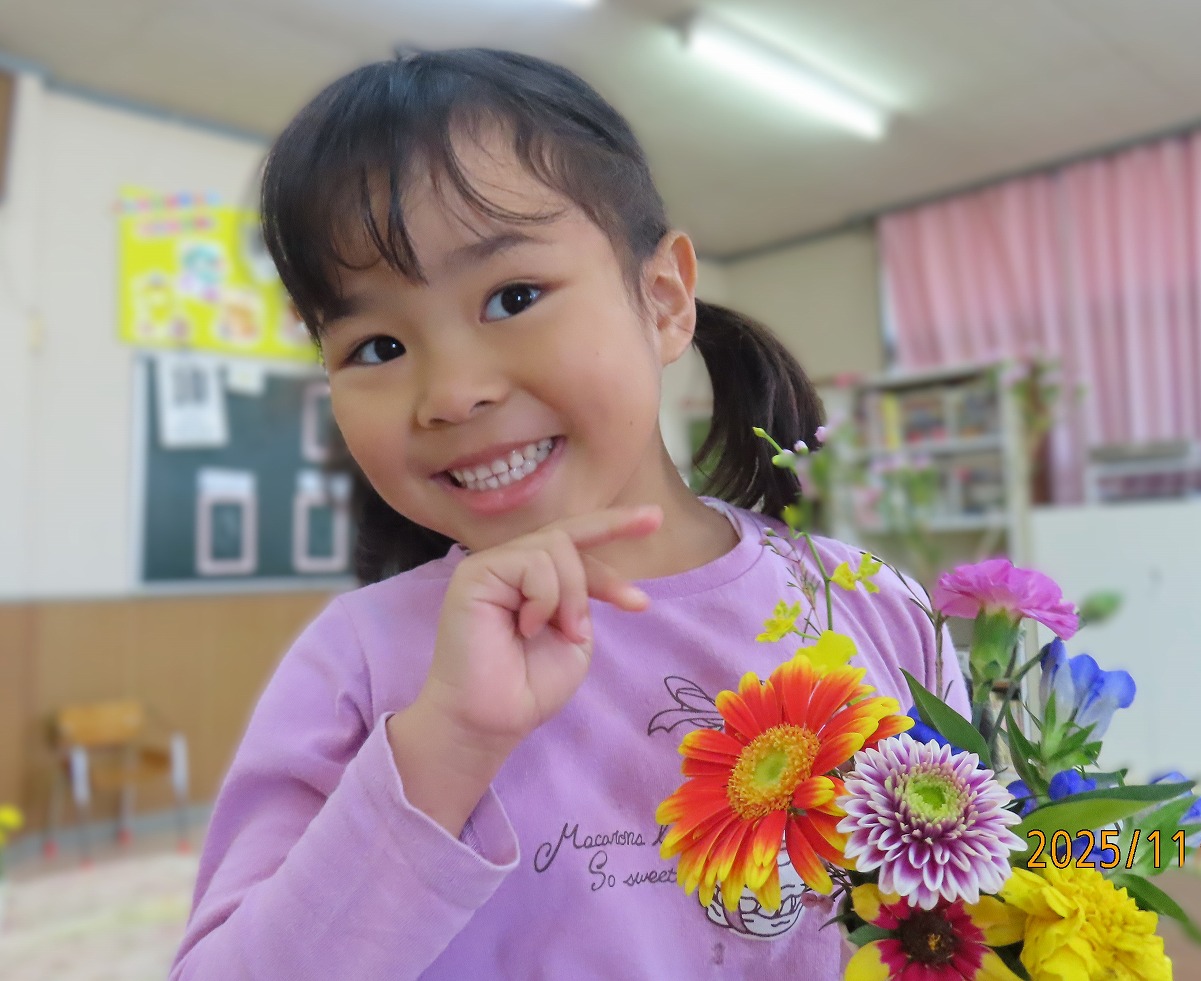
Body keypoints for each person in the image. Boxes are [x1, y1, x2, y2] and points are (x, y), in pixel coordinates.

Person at [171, 48, 967, 980]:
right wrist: (448, 745)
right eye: (377, 346)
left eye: (512, 297)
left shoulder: (870, 604)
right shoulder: (360, 664)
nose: (452, 393)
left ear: (662, 301)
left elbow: (993, 900)